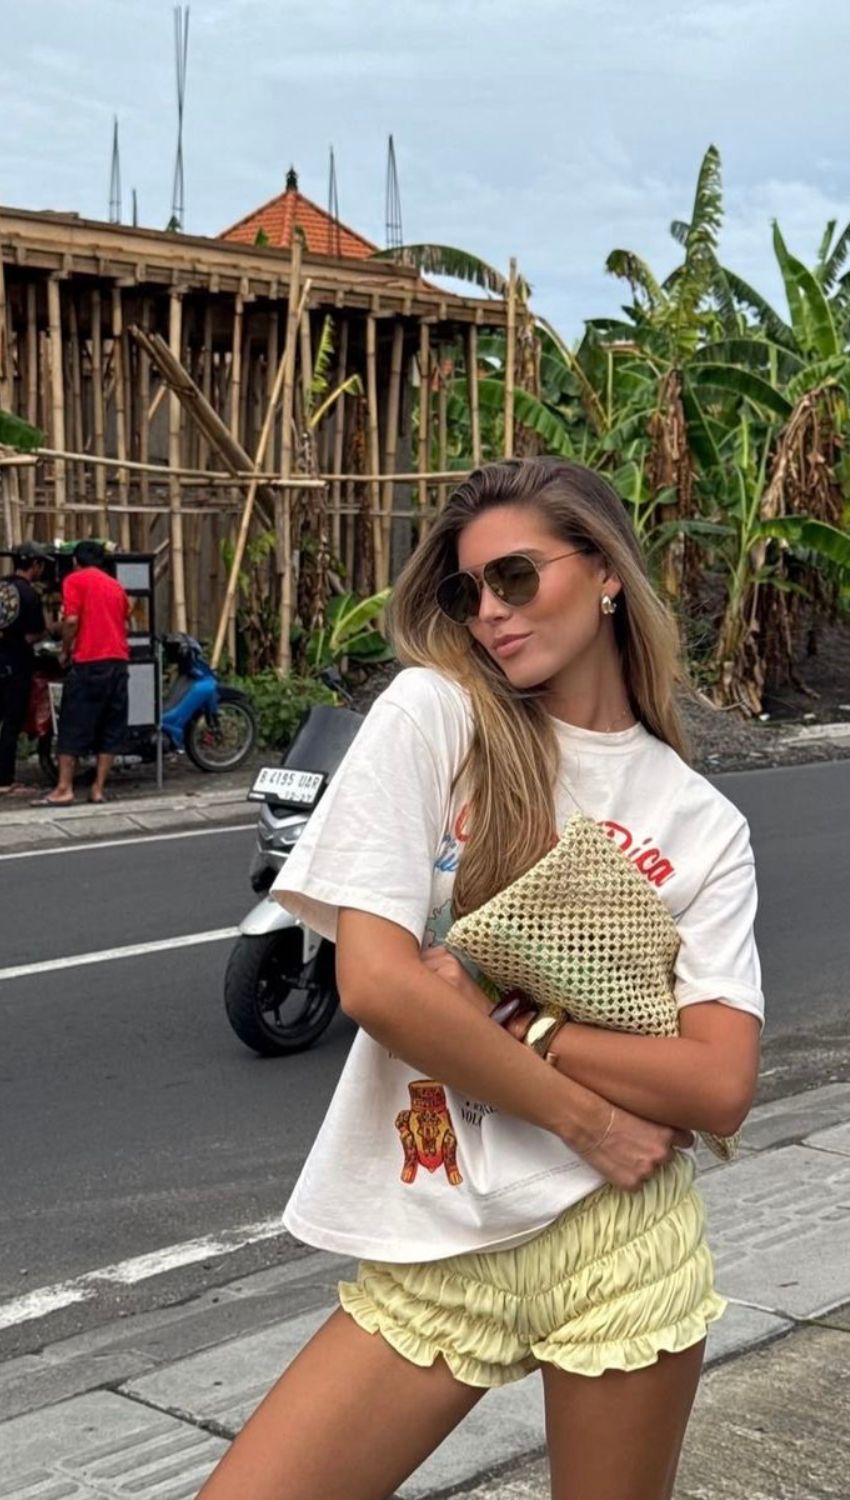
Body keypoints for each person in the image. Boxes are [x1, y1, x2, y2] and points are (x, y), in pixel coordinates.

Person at [198, 458, 764, 1500]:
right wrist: (590, 1117)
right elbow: (375, 986)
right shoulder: (435, 716)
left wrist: (514, 1022)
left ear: (604, 573)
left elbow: (719, 1084)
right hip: (439, 1228)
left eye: (515, 577)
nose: (491, 613)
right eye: (469, 592)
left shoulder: (700, 821)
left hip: (622, 1239)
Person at [35, 539, 130, 807]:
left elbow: (72, 620)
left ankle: (64, 788)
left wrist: (65, 649)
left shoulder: (74, 581)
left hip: (90, 662)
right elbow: (126, 619)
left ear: (76, 562)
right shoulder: (116, 586)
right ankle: (97, 788)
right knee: (110, 727)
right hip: (118, 662)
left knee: (73, 724)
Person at [0, 542, 49, 798]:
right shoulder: (29, 594)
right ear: (36, 565)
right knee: (11, 721)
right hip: (16, 663)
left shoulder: (2, 586)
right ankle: (5, 780)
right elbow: (35, 634)